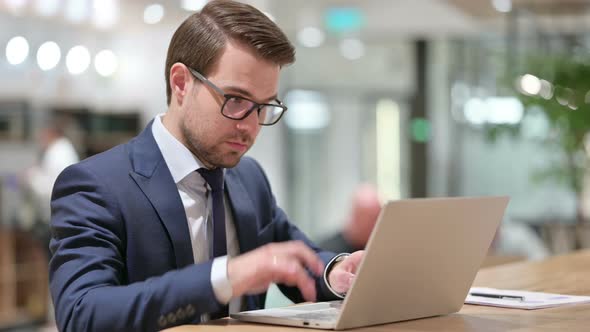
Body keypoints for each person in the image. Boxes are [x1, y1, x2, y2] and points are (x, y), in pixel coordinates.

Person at [49, 1, 364, 331]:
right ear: (181, 83)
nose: (250, 126)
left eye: (264, 107)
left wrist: (336, 271)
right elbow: (82, 314)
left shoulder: (249, 178)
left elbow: (296, 259)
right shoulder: (96, 185)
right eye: (236, 100)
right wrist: (224, 277)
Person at [320, 184, 382, 253]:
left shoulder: (381, 247)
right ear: (354, 217)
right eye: (370, 218)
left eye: (377, 217)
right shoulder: (328, 251)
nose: (375, 224)